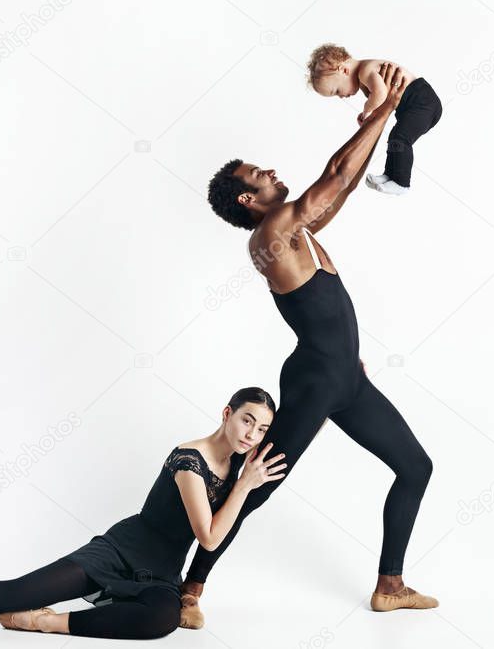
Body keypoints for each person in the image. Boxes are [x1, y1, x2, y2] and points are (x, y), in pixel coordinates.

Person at [183, 64, 436, 628]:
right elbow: (334, 170)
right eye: (261, 174)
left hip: (349, 379)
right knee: (258, 487)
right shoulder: (270, 236)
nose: (273, 172)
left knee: (416, 467)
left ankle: (390, 585)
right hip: (315, 382)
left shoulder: (301, 231)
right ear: (249, 198)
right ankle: (190, 589)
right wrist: (384, 110)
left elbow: (343, 182)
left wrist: (375, 123)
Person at [0, 387, 286, 640]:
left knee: (160, 621)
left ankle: (48, 623)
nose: (253, 434)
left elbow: (296, 434)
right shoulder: (189, 460)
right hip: (118, 552)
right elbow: (208, 537)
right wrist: (245, 487)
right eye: (247, 420)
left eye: (262, 428)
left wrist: (339, 394)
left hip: (161, 574)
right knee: (20, 588)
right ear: (227, 414)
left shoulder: (239, 466)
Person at [306, 43, 442, 196]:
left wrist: (367, 110)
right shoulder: (365, 72)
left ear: (344, 70)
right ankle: (390, 174)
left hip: (423, 102)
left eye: (337, 91)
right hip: (414, 105)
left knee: (400, 138)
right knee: (395, 138)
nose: (342, 97)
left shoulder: (365, 70)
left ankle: (401, 183)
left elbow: (380, 94)